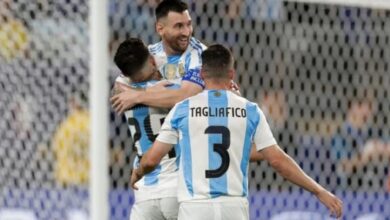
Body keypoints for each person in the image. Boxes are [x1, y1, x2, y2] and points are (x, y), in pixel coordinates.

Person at [130, 44, 343, 220]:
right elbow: (277, 161)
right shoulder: (249, 110)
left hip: (195, 207)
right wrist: (318, 190)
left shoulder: (182, 109)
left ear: (202, 73)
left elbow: (151, 161)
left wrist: (139, 171)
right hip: (234, 207)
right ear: (231, 73)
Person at [114, 38, 181, 220]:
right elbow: (191, 94)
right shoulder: (171, 89)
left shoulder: (123, 95)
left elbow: (117, 86)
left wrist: (139, 95)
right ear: (151, 61)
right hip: (176, 186)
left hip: (144, 191)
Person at [111, 0, 208, 113]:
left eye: (189, 24)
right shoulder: (150, 53)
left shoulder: (201, 54)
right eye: (179, 26)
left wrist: (138, 96)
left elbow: (185, 96)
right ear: (160, 29)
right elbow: (118, 87)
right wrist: (150, 91)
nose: (187, 32)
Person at [52, 91, 90, 186]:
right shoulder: (93, 122)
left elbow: (55, 148)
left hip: (66, 178)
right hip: (88, 177)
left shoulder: (67, 124)